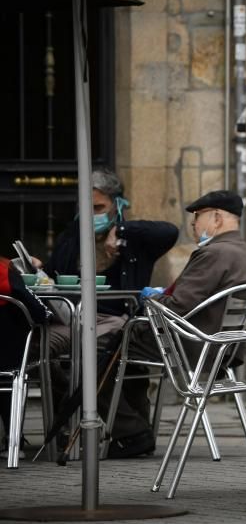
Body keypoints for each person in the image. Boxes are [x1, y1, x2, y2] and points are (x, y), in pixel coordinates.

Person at [113, 190, 246, 457]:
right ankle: (133, 431)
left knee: (102, 345)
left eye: (197, 217)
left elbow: (178, 307)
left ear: (216, 218)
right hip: (222, 348)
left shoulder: (213, 253)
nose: (193, 225)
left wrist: (153, 297)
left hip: (192, 346)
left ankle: (131, 432)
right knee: (123, 349)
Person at [43, 168, 178, 458]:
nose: (91, 214)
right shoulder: (73, 236)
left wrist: (122, 230)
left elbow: (169, 232)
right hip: (72, 317)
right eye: (85, 207)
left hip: (118, 319)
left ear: (117, 204)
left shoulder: (135, 240)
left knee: (88, 355)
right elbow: (54, 271)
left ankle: (131, 432)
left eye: (98, 207)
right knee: (41, 350)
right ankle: (61, 424)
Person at [0, 256, 51, 456]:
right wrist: (46, 316)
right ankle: (13, 442)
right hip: (8, 352)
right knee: (12, 379)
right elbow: (36, 309)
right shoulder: (4, 270)